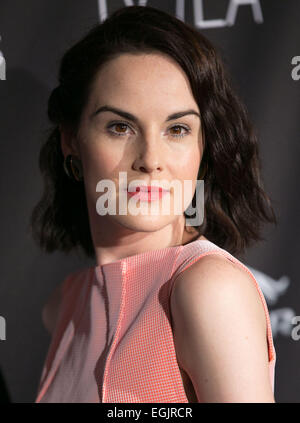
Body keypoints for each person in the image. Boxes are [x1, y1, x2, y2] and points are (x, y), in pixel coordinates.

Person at [29, 5, 277, 403]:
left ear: (204, 147)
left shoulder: (208, 290)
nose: (150, 158)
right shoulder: (63, 305)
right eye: (120, 126)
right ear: (71, 140)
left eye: (177, 129)